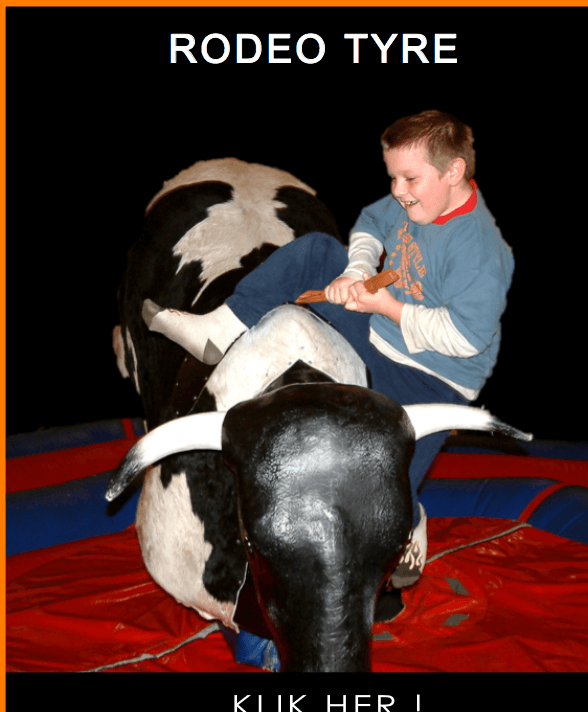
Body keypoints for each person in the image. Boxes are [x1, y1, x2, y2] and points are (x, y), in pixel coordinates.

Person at [144, 110, 514, 579]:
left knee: (387, 494)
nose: (398, 190)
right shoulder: (416, 201)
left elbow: (464, 338)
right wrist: (356, 272)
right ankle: (219, 327)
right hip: (380, 338)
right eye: (393, 177)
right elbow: (371, 224)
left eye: (409, 179)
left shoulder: (482, 254)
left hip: (433, 380)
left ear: (454, 171)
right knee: (319, 251)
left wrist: (386, 306)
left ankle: (413, 521)